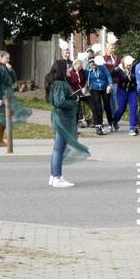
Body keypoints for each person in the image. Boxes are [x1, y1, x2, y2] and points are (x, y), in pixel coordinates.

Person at [45, 58, 90, 187]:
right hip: (62, 119)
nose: (70, 69)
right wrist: (74, 101)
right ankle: (57, 177)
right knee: (59, 149)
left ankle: (54, 176)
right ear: (62, 70)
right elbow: (59, 102)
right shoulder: (60, 83)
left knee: (58, 149)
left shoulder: (59, 82)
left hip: (60, 118)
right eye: (67, 68)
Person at [0, 51, 31, 147]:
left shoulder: (5, 68)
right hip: (2, 96)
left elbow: (14, 80)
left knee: (7, 115)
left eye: (8, 58)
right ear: (0, 58)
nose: (8, 60)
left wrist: (11, 70)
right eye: (6, 58)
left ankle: (1, 140)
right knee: (1, 116)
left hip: (8, 95)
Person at [111, 55, 138, 135]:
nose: (129, 66)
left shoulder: (135, 68)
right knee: (121, 109)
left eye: (130, 65)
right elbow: (110, 76)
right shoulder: (118, 69)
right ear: (124, 64)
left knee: (133, 107)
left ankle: (132, 128)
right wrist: (110, 84)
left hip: (132, 90)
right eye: (128, 65)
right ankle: (114, 121)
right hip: (122, 90)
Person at [86, 56, 114, 135]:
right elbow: (85, 80)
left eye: (94, 64)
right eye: (91, 64)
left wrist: (110, 85)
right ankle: (100, 125)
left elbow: (108, 75)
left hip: (104, 87)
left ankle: (110, 122)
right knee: (98, 107)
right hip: (94, 89)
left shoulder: (102, 67)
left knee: (107, 106)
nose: (93, 65)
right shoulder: (88, 70)